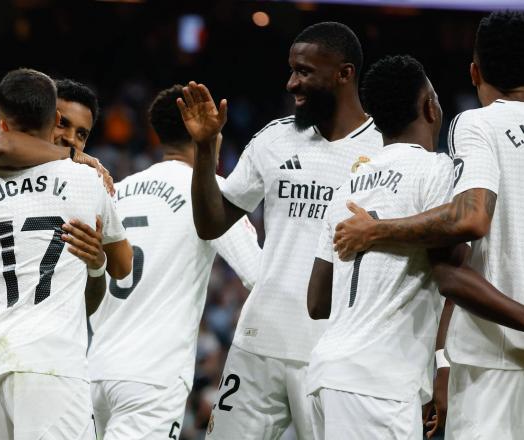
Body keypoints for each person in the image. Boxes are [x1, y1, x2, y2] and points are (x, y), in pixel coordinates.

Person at [178, 22, 383, 439]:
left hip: (334, 351)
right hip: (259, 341)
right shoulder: (274, 140)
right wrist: (203, 149)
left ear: (344, 73)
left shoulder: (384, 149)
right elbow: (211, 222)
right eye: (292, 70)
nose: (292, 83)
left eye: (305, 71)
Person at [307, 54, 524, 440]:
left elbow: (317, 301)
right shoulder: (438, 172)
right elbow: (451, 274)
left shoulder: (347, 186)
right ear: (431, 107)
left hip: (327, 375)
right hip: (380, 384)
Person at [0, 68, 131, 439]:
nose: (72, 140)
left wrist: (96, 265)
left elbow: (96, 292)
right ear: (50, 119)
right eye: (64, 125)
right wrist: (77, 160)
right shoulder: (82, 181)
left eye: (82, 135)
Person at [84, 85, 261, 440]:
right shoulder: (212, 191)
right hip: (153, 375)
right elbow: (259, 275)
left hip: (95, 369)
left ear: (157, 133)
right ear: (212, 131)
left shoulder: (115, 190)